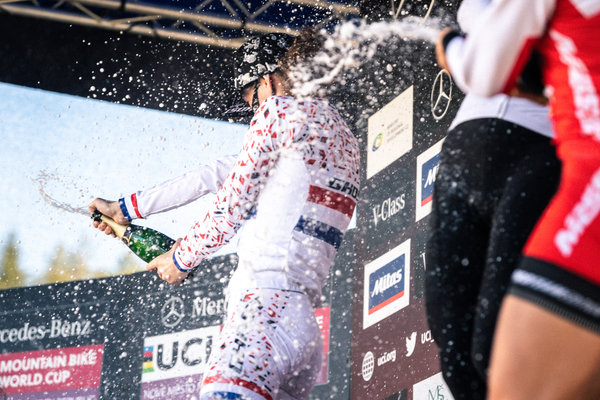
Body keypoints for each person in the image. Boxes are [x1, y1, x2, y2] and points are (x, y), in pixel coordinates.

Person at [89, 30, 360, 400]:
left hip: (262, 317)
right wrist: (123, 209)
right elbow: (214, 174)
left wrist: (180, 259)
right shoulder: (339, 136)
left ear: (268, 80)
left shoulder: (277, 112)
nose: (254, 111)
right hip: (302, 330)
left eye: (252, 99)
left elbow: (231, 206)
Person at [436, 1, 600, 399]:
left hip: (584, 183)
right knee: (465, 352)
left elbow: (481, 69)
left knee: (503, 372)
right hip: (550, 167)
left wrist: (449, 44)